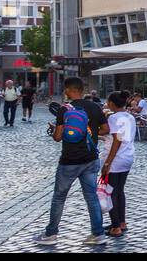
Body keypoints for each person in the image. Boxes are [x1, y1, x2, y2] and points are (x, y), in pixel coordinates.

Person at [35, 76, 108, 246]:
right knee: (91, 197)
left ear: (69, 89)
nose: (65, 92)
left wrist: (57, 129)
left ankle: (50, 235)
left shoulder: (65, 109)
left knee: (59, 197)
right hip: (91, 159)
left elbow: (58, 137)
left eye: (65, 89)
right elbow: (106, 129)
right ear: (82, 90)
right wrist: (91, 133)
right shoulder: (95, 107)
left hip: (69, 161)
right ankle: (98, 234)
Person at [99, 91, 135, 237]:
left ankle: (116, 227)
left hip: (116, 158)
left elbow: (117, 139)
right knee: (119, 191)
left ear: (112, 103)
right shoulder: (130, 117)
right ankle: (121, 222)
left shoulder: (114, 117)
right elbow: (120, 137)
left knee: (111, 192)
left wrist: (108, 162)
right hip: (128, 156)